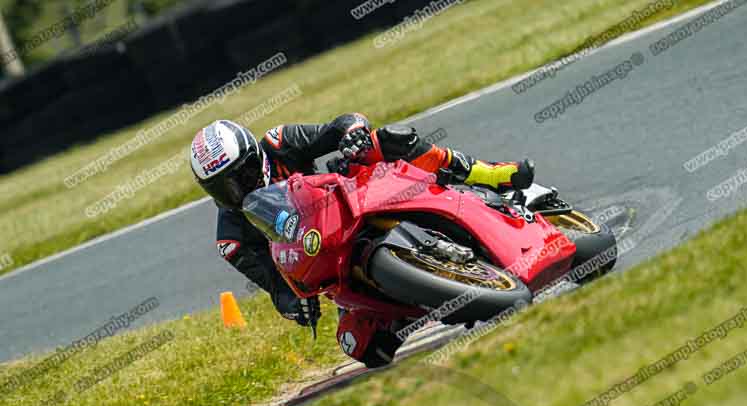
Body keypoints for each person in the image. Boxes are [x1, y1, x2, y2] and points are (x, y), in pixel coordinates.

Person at [189, 114, 535, 364]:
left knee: (387, 140)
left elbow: (341, 124)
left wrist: (353, 133)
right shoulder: (232, 239)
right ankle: (430, 296)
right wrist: (296, 305)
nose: (238, 189)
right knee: (361, 346)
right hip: (330, 261)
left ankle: (488, 174)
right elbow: (276, 286)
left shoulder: (280, 143)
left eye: (243, 174)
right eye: (224, 186)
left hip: (351, 200)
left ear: (256, 155)